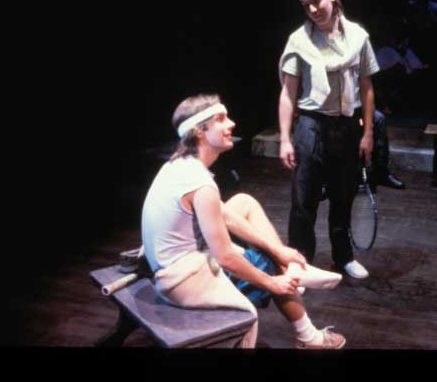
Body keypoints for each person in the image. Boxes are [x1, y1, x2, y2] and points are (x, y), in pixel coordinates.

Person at [141, 94, 346, 349]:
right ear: (200, 132)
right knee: (268, 266)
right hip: (181, 280)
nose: (232, 124)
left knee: (244, 202)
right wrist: (272, 282)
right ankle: (309, 337)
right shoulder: (200, 184)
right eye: (221, 119)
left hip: (175, 262)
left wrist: (278, 249)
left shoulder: (180, 164)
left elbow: (224, 214)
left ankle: (288, 264)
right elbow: (226, 257)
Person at [278, 0, 380, 280]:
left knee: (343, 195)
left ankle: (343, 256)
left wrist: (368, 133)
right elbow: (288, 92)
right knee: (303, 198)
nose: (312, 9)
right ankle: (301, 263)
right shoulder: (299, 40)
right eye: (306, 5)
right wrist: (285, 138)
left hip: (347, 124)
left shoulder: (358, 37)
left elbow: (367, 87)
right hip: (311, 124)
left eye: (317, 1)